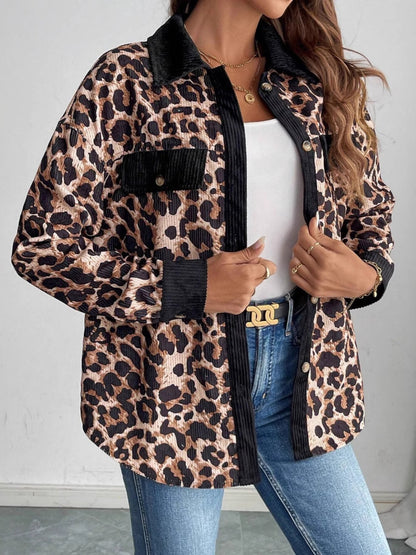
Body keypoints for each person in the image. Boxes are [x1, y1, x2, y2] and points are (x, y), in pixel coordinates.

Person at [10, 0, 395, 553]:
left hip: (305, 377)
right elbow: (43, 245)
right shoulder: (126, 80)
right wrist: (189, 285)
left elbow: (371, 213)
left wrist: (366, 276)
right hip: (174, 384)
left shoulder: (315, 81)